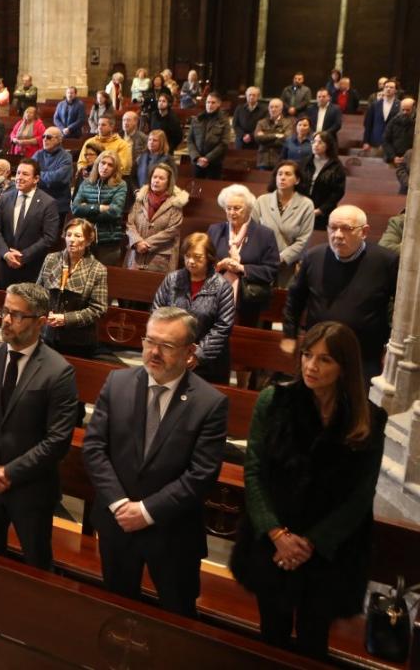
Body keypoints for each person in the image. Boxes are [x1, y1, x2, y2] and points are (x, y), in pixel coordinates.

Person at [229, 322, 386, 660]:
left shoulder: (367, 418)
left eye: (325, 360)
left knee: (314, 644)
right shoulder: (275, 401)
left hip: (329, 551)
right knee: (271, 638)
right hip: (274, 544)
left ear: (345, 366)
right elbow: (253, 470)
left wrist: (312, 542)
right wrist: (277, 533)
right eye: (307, 355)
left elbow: (361, 493)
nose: (312, 366)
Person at [82, 307, 229, 617]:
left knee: (177, 618)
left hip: (172, 534)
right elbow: (94, 448)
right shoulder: (117, 383)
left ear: (190, 352)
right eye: (150, 341)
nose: (154, 352)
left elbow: (201, 475)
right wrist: (120, 504)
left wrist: (146, 512)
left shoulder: (209, 403)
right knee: (116, 614)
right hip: (117, 524)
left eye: (167, 346)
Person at [0, 281, 77, 565]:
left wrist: (9, 473)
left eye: (18, 315)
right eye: (5, 312)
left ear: (41, 322)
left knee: (37, 567)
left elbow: (57, 440)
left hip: (31, 490)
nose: (7, 320)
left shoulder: (58, 372)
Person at [282, 205, 399, 381]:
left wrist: (390, 348)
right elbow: (295, 299)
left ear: (364, 232)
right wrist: (289, 335)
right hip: (318, 352)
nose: (337, 235)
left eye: (346, 229)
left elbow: (402, 308)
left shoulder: (386, 261)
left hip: (363, 356)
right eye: (333, 228)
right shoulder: (313, 257)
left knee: (357, 406)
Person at [153, 233, 235, 384]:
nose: (191, 261)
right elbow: (157, 313)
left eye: (197, 257)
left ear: (209, 258)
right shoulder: (172, 279)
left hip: (209, 364)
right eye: (187, 256)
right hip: (172, 355)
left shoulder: (222, 287)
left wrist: (198, 354)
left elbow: (223, 326)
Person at [207, 184, 280, 329]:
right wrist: (219, 266)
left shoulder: (264, 234)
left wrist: (241, 268)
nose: (232, 212)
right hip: (214, 298)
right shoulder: (215, 230)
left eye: (237, 208)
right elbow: (204, 262)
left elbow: (272, 270)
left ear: (248, 208)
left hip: (249, 301)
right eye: (228, 208)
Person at [37, 219, 108, 358]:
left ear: (88, 241)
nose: (71, 240)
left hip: (78, 342)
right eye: (68, 235)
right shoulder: (51, 259)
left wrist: (66, 319)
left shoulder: (98, 269)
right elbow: (38, 292)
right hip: (47, 335)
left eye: (78, 236)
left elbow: (98, 309)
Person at [0, 159, 61, 286]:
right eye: (18, 173)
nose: (19, 177)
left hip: (32, 267)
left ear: (36, 179)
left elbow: (49, 237)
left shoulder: (48, 203)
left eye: (25, 174)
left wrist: (23, 256)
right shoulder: (5, 198)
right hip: (6, 266)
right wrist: (6, 254)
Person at [254, 161, 315, 287]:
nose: (282, 177)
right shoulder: (262, 200)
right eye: (279, 174)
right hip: (262, 261)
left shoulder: (306, 204)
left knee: (282, 300)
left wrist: (281, 257)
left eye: (288, 174)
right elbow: (251, 230)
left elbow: (304, 239)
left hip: (288, 263)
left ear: (297, 180)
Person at [126, 163, 188, 273]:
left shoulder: (175, 202)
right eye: (154, 177)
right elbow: (130, 223)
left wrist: (146, 243)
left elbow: (172, 230)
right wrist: (138, 242)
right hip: (136, 255)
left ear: (169, 182)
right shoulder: (140, 198)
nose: (156, 180)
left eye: (161, 178)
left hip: (161, 258)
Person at [71, 151, 128, 266]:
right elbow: (75, 209)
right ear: (97, 164)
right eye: (103, 163)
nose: (105, 167)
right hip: (86, 239)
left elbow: (115, 212)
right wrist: (100, 208)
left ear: (115, 168)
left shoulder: (120, 185)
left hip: (108, 241)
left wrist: (86, 209)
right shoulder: (86, 183)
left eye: (110, 165)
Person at [300, 130, 345, 229]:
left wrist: (320, 210)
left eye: (320, 142)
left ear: (328, 145)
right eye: (314, 141)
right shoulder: (304, 162)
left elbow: (337, 193)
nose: (315, 145)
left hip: (323, 213)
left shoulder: (336, 166)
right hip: (302, 210)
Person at [33, 127, 73, 222]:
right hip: (38, 200)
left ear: (59, 140)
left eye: (49, 137)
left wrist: (38, 176)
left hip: (58, 203)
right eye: (43, 137)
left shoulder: (66, 157)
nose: (45, 139)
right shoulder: (38, 154)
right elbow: (30, 174)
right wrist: (42, 176)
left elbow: (57, 178)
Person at [188, 93, 229, 179]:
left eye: (213, 102)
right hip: (197, 162)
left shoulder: (223, 121)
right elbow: (190, 140)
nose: (210, 105)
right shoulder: (197, 119)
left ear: (219, 104)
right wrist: (197, 158)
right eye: (208, 102)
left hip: (214, 163)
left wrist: (207, 158)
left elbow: (224, 143)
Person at [363, 79, 398, 157]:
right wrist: (366, 142)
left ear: (396, 90)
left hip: (392, 144)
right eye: (386, 87)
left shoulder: (400, 105)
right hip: (375, 142)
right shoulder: (374, 105)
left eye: (391, 87)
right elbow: (368, 124)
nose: (388, 89)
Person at [254, 99, 291, 170]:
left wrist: (265, 138)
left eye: (276, 107)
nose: (273, 109)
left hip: (279, 159)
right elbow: (257, 139)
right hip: (263, 161)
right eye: (271, 107)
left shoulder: (288, 123)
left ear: (281, 109)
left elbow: (286, 139)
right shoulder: (261, 122)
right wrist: (276, 135)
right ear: (268, 109)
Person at [382, 97, 415, 166]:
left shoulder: (416, 124)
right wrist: (393, 157)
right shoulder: (393, 121)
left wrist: (407, 157)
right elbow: (386, 140)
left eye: (408, 110)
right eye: (403, 110)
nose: (405, 112)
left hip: (412, 161)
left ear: (413, 109)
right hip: (394, 159)